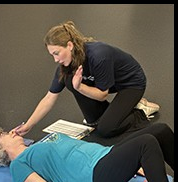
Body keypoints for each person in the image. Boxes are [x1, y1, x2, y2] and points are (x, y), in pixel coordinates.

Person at [14, 20, 159, 138]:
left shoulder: (98, 55)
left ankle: (140, 110)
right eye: (52, 55)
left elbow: (102, 95)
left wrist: (80, 87)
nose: (55, 59)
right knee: (94, 122)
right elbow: (49, 98)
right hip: (105, 80)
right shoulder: (66, 65)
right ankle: (114, 112)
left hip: (130, 83)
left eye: (57, 53)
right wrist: (28, 125)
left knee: (106, 129)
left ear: (69, 45)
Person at [0, 123, 174, 182]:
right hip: (93, 179)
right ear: (2, 149)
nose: (12, 132)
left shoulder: (36, 145)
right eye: (6, 134)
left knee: (161, 130)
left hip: (106, 156)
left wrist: (133, 163)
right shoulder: (19, 164)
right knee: (146, 143)